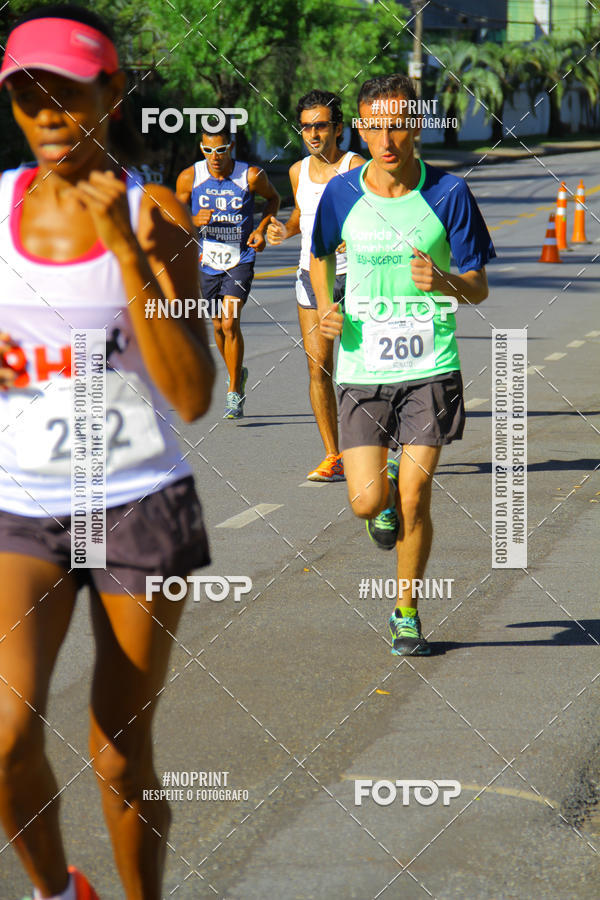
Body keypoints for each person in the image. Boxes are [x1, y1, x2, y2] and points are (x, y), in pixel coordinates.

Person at [0, 5, 215, 899]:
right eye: (28, 96)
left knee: (120, 753)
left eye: (67, 93)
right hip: (23, 506)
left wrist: (127, 253)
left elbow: (193, 394)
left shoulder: (156, 215)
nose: (48, 114)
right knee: (4, 737)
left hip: (138, 503)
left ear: (111, 93)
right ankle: (59, 893)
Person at [311, 73, 495, 655]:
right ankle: (382, 492)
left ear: (415, 125)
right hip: (363, 367)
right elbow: (319, 255)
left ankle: (406, 612)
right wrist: (326, 308)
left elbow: (478, 286)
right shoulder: (341, 194)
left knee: (415, 497)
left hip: (430, 365)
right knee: (367, 502)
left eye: (397, 126)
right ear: (360, 130)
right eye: (375, 127)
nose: (387, 140)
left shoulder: (448, 194)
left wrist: (444, 282)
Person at [267, 91, 364, 481]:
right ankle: (333, 455)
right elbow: (301, 215)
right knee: (318, 366)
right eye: (306, 127)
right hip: (311, 277)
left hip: (356, 277)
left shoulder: (356, 167)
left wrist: (352, 236)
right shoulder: (297, 171)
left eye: (320, 125)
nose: (312, 134)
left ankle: (377, 447)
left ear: (338, 129)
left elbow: (377, 212)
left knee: (366, 368)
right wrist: (284, 230)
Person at [176, 125, 280, 418]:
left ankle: (234, 390)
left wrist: (261, 229)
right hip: (207, 260)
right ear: (201, 148)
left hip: (240, 258)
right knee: (218, 326)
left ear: (230, 147)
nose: (215, 156)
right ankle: (238, 372)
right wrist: (192, 219)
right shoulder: (190, 177)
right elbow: (172, 213)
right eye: (208, 150)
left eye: (221, 150)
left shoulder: (251, 176)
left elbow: (273, 199)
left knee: (230, 321)